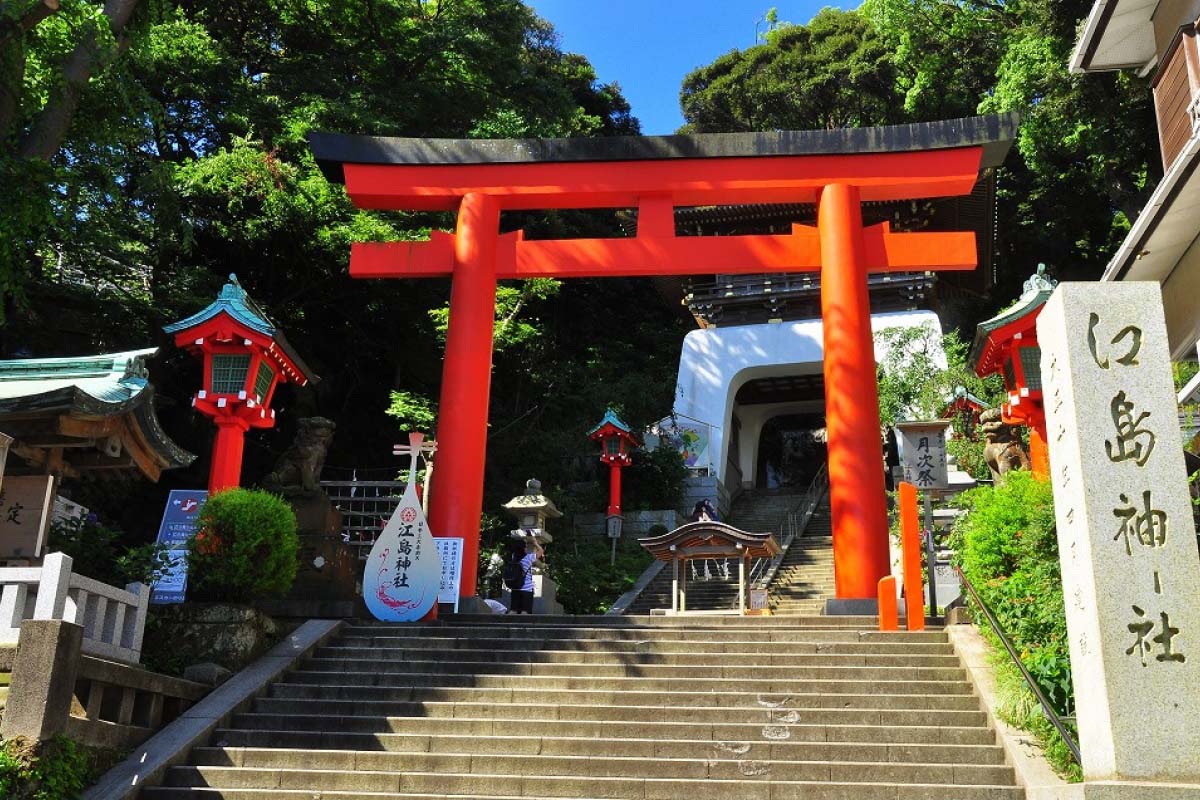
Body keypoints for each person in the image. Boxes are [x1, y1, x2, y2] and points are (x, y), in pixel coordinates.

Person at [509, 538, 543, 614]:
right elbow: (541, 551)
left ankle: (508, 625)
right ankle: (524, 626)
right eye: (525, 547)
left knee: (513, 611)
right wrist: (535, 543)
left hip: (515, 588)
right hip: (527, 589)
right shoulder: (528, 558)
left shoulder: (513, 557)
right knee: (525, 612)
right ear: (524, 548)